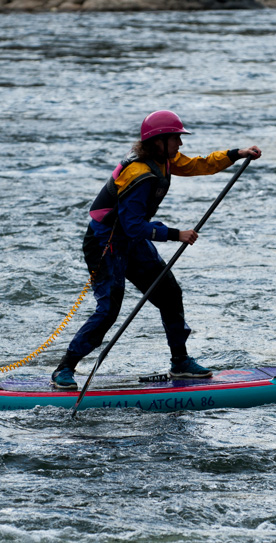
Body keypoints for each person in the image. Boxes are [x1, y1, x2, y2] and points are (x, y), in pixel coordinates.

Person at [51, 110, 262, 389]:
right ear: (159, 141)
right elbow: (132, 227)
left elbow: (197, 164)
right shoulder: (140, 174)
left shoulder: (162, 159)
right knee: (109, 312)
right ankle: (64, 369)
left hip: (131, 239)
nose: (180, 144)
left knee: (169, 294)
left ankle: (181, 363)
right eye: (176, 138)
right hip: (106, 244)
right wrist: (177, 234)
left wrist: (236, 153)